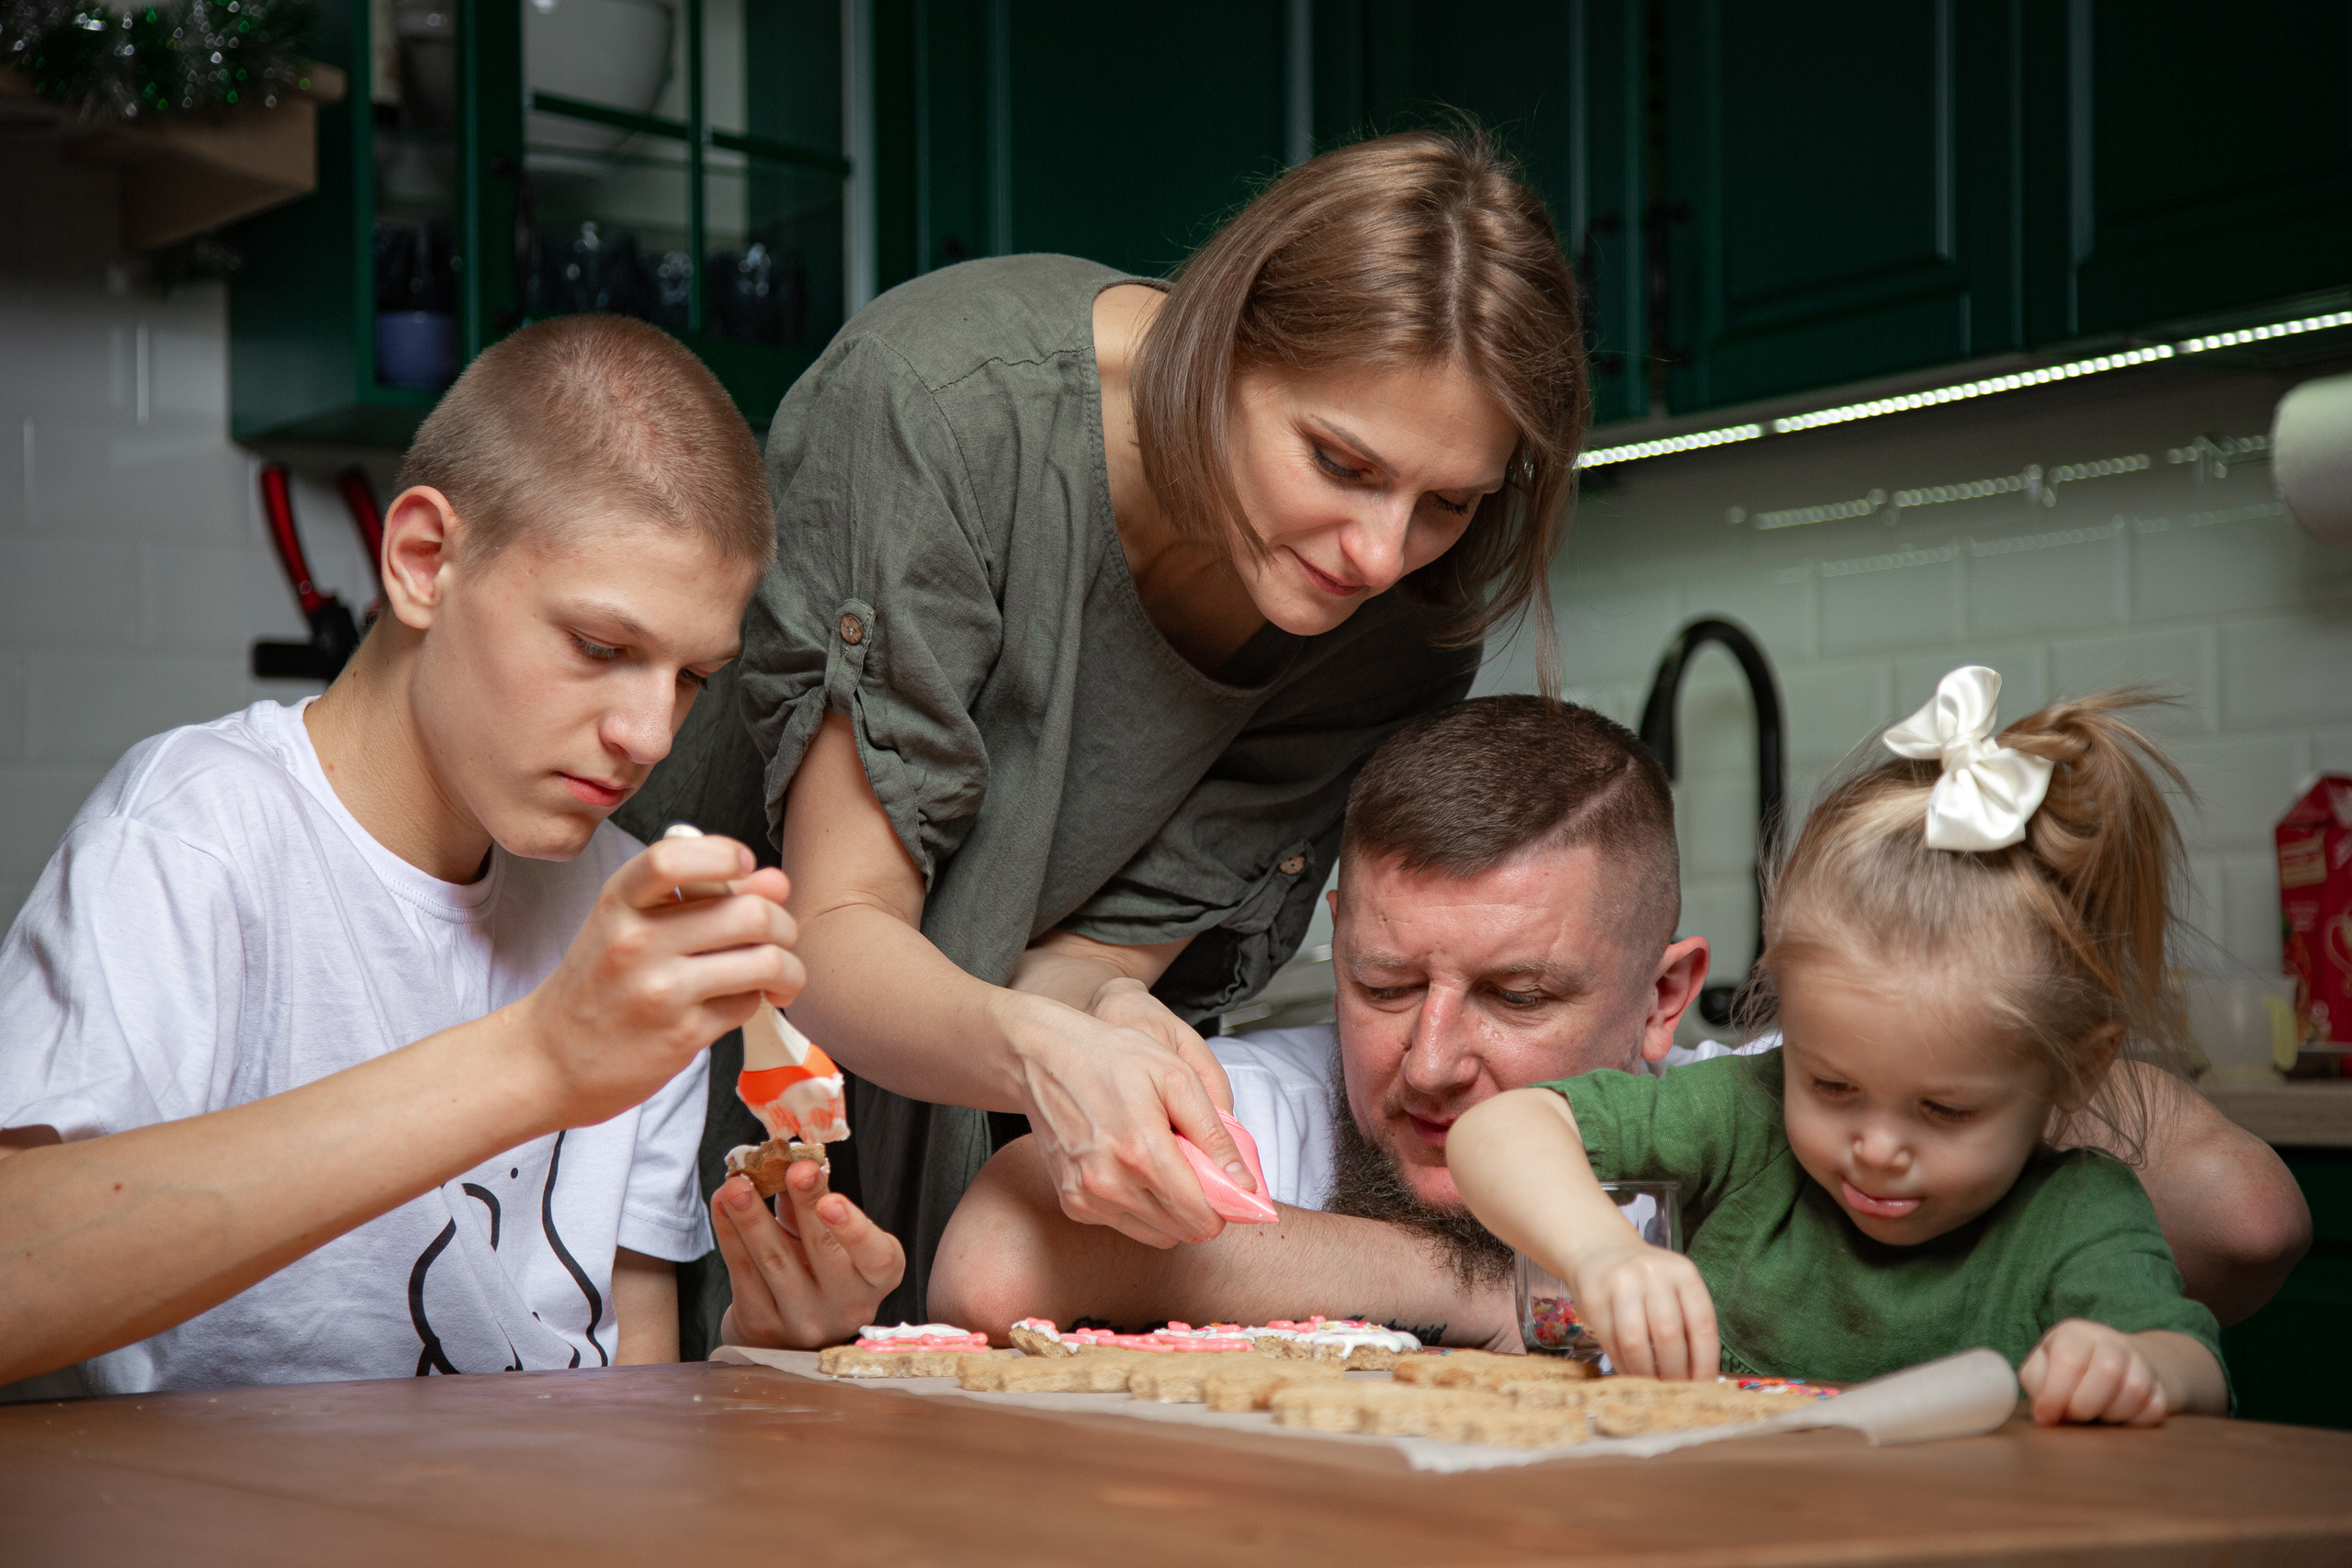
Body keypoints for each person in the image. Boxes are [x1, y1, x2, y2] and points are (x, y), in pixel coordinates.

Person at [619, 128, 1588, 1321]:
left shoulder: (1398, 620)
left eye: (1448, 501)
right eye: (1339, 460)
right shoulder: (948, 409)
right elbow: (834, 929)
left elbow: (1088, 957)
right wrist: (1038, 1046)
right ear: (1225, 337)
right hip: (667, 1079)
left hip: (934, 1160)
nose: (1380, 553)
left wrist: (1112, 1014)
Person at [0, 315, 899, 1398]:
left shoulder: (628, 913)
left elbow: (626, 1392)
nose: (651, 736)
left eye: (690, 677)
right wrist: (539, 1060)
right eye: (601, 649)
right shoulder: (192, 840)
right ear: (425, 561)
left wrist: (775, 1348)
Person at [931, 695, 2310, 1352]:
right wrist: (1490, 1284)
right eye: (1387, 981)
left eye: (1519, 993)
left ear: (1664, 997)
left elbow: (2242, 1219)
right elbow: (993, 1255)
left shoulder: (1797, 1118)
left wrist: (1975, 1048)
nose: (1428, 1060)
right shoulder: (1271, 1101)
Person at [1451, 671, 2232, 1423]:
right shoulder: (1745, 1118)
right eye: (1832, 1087)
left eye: (1944, 1109)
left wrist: (2137, 1367)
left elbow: (2196, 1368)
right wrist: (1600, 1251)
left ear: (2077, 1067)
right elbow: (1500, 1129)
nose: (1879, 1147)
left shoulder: (2080, 1216)